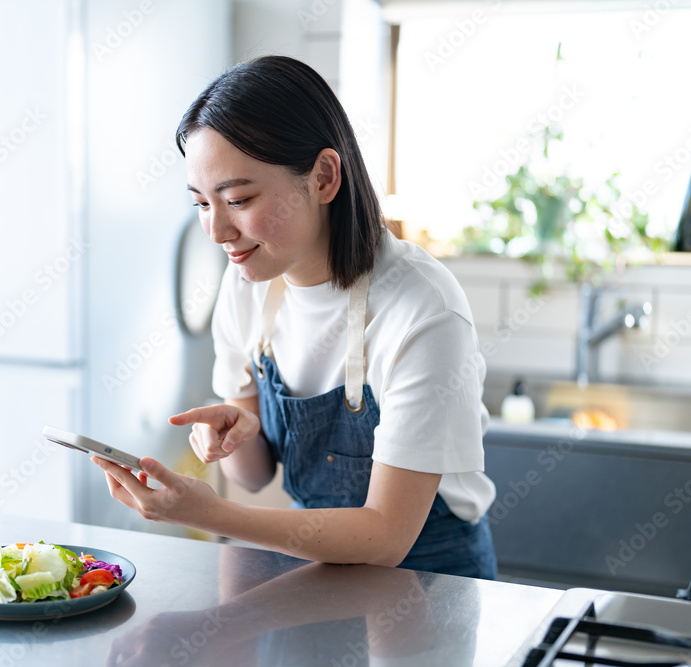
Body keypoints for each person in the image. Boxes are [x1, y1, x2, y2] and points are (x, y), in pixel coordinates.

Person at [92, 55, 497, 579]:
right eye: (201, 203)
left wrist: (210, 513)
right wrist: (235, 435)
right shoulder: (247, 287)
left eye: (238, 199)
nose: (216, 232)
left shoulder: (420, 309)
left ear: (325, 177)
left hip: (432, 580)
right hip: (317, 564)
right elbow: (255, 475)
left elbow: (387, 536)